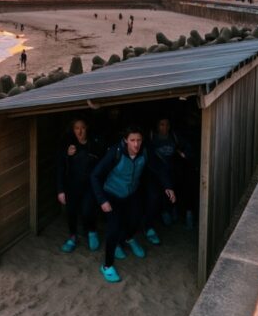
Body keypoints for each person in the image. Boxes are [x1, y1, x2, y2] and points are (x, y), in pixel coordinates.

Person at [91, 127, 175, 283]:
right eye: (132, 140)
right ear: (125, 141)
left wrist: (168, 186)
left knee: (136, 220)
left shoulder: (145, 152)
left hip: (132, 193)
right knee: (114, 228)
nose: (136, 144)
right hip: (112, 193)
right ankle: (107, 265)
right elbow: (95, 175)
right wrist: (102, 200)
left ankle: (128, 238)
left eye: (139, 140)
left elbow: (159, 168)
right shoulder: (115, 152)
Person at [55, 118, 105, 253]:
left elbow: (102, 165)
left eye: (82, 127)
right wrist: (60, 190)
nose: (80, 131)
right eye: (77, 128)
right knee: (71, 212)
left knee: (88, 210)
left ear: (87, 128)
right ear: (73, 130)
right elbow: (60, 168)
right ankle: (72, 237)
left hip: (89, 186)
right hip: (71, 186)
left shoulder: (94, 145)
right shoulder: (68, 146)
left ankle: (92, 231)